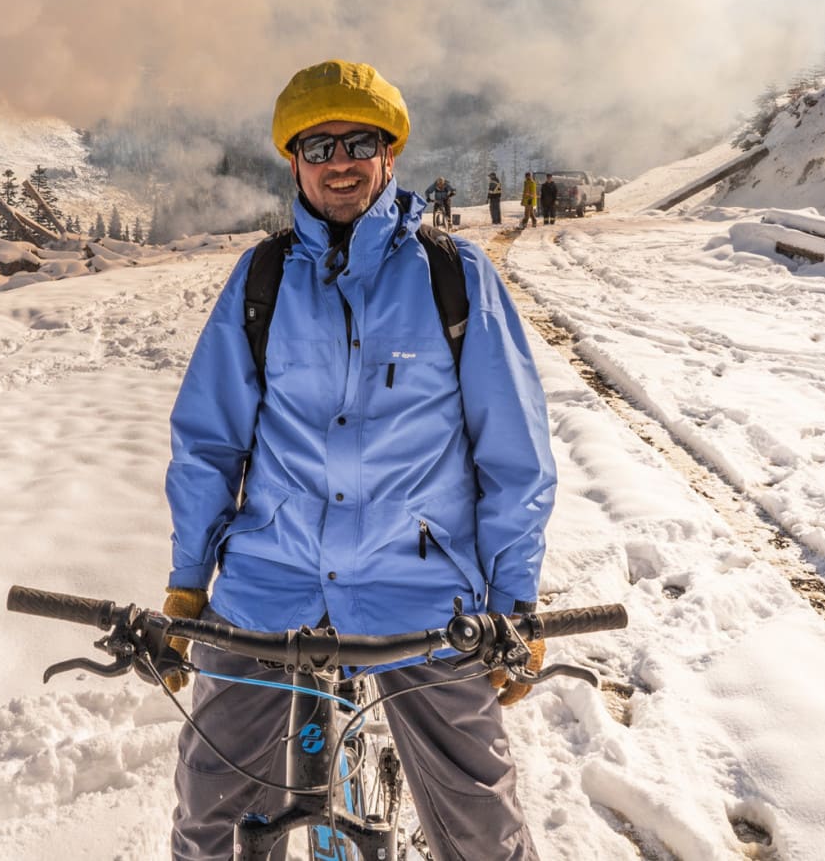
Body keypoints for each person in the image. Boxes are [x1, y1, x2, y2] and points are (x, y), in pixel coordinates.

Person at [164, 60, 557, 861]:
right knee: (209, 819)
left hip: (422, 597)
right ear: (294, 160)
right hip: (268, 585)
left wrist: (514, 603)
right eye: (317, 145)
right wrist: (186, 582)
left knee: (483, 833)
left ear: (390, 153)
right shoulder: (262, 279)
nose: (338, 160)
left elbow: (514, 456)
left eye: (358, 141)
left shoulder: (454, 276)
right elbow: (209, 441)